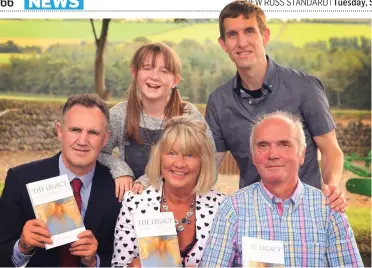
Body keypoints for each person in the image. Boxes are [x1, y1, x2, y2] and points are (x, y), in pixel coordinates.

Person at [205, 0, 346, 211]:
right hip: (254, 217)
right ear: (223, 44)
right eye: (233, 35)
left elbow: (331, 150)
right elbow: (209, 166)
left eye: (250, 31)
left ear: (265, 36)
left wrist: (332, 187)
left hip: (306, 214)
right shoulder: (218, 101)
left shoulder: (305, 88)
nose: (242, 42)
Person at [200, 111, 363, 267]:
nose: (273, 154)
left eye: (284, 144)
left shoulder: (329, 209)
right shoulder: (233, 209)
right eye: (263, 145)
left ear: (302, 154)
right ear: (253, 156)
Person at [0, 94, 121, 267]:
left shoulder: (118, 189)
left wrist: (95, 262)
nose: (83, 141)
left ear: (105, 139)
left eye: (93, 132)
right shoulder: (20, 180)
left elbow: (127, 258)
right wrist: (22, 247)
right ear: (60, 131)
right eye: (75, 130)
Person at [98, 42, 216, 202]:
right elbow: (97, 151)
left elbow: (209, 161)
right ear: (134, 73)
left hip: (180, 202)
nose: (154, 76)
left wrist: (150, 180)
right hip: (132, 204)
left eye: (164, 71)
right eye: (147, 68)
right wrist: (121, 169)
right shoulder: (120, 114)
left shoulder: (188, 115)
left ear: (175, 80)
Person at [111, 116, 225, 267]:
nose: (179, 164)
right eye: (171, 153)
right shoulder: (135, 202)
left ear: (203, 161)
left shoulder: (222, 207)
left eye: (189, 155)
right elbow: (118, 265)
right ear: (160, 157)